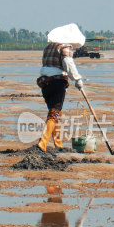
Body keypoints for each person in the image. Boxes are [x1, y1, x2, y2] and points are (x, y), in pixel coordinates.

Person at [35, 23, 86, 152]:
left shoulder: (49, 47)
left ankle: (58, 144)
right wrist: (77, 79)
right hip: (57, 83)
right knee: (54, 113)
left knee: (54, 113)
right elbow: (68, 63)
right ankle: (43, 142)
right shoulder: (65, 47)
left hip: (45, 84)